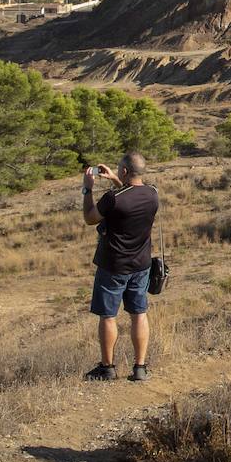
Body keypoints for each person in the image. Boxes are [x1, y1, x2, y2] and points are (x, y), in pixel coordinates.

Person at [81, 152, 159, 382]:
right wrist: (116, 178)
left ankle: (107, 367)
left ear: (125, 171)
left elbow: (89, 218)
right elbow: (130, 194)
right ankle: (140, 367)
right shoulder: (153, 194)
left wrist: (87, 189)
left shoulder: (112, 199)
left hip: (113, 265)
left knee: (108, 316)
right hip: (141, 264)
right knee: (139, 314)